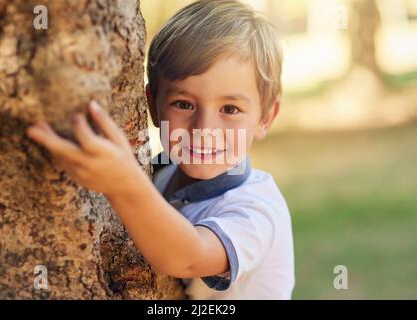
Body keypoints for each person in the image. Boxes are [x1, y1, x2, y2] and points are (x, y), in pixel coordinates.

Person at [27, 0, 294, 299]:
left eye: (230, 109)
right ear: (153, 105)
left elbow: (189, 256)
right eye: (184, 104)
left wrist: (122, 184)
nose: (203, 129)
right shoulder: (164, 167)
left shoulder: (256, 211)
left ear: (266, 117)